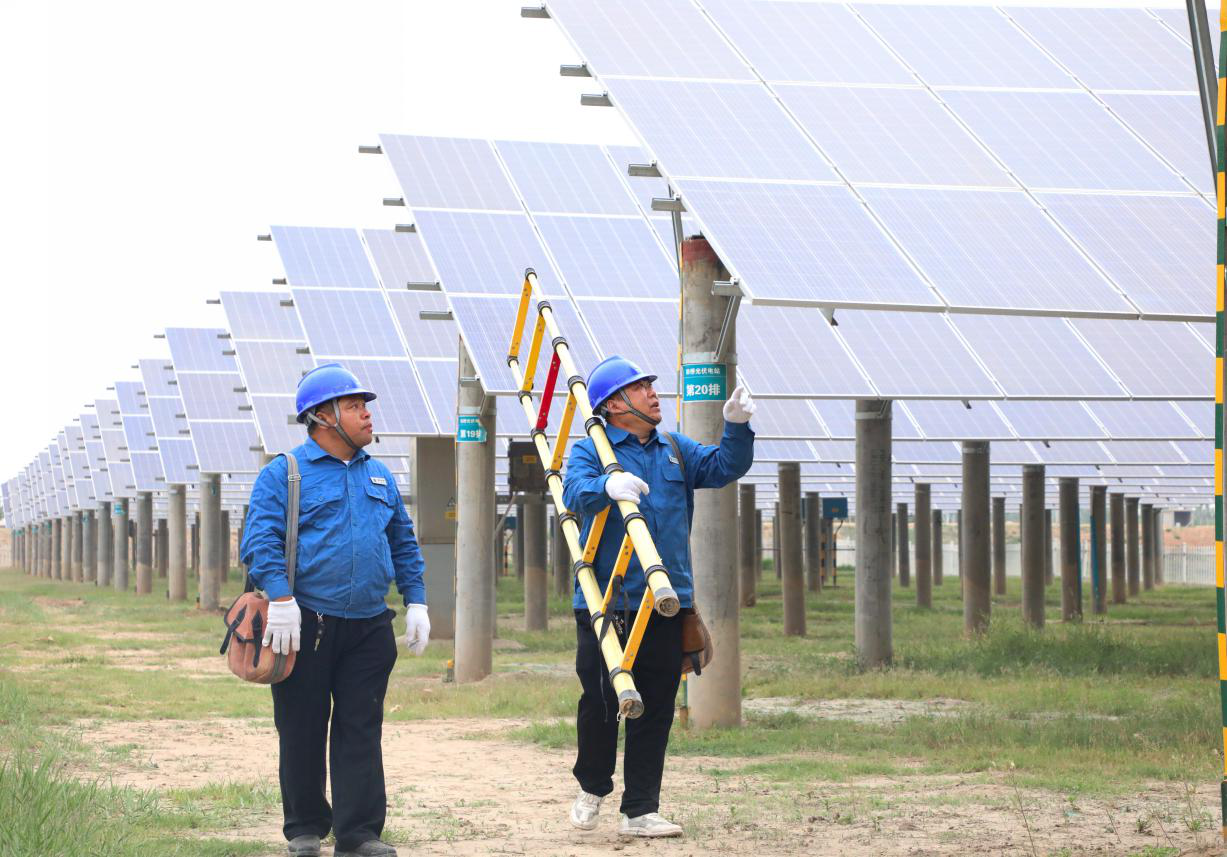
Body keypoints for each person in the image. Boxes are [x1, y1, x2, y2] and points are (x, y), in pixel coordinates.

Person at [240, 363, 432, 857]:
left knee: (361, 727)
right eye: (354, 406)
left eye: (364, 406)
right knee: (302, 725)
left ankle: (359, 833)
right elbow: (259, 540)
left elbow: (403, 543)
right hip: (304, 622)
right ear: (323, 417)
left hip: (369, 625)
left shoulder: (380, 475)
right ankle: (305, 829)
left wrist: (416, 600)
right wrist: (281, 599)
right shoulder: (284, 473)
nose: (367, 415)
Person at [562, 355, 755, 838]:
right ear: (613, 404)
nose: (653, 393)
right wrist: (608, 484)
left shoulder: (674, 447)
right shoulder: (592, 449)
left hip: (668, 600)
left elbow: (724, 466)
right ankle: (592, 784)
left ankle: (641, 809)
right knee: (603, 699)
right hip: (608, 601)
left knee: (657, 705)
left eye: (651, 385)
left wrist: (737, 427)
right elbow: (573, 493)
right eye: (641, 387)